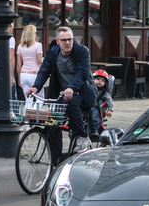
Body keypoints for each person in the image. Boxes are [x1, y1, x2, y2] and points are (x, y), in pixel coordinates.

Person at [27, 26, 97, 159]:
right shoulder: (53, 53)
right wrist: (35, 87)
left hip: (83, 93)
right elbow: (44, 71)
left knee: (70, 102)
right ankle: (56, 159)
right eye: (64, 40)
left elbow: (82, 73)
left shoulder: (82, 51)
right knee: (52, 123)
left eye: (70, 39)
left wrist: (71, 87)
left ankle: (82, 137)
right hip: (61, 94)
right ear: (57, 41)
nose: (68, 43)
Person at [17, 24, 44, 104]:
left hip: (23, 74)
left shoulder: (20, 46)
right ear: (33, 34)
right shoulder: (38, 45)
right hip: (34, 75)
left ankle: (27, 116)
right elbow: (39, 61)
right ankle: (35, 114)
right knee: (40, 97)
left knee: (28, 100)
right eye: (36, 32)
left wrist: (19, 77)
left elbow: (19, 64)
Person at [91, 69, 114, 135]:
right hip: (86, 106)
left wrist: (110, 110)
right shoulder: (89, 89)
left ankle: (95, 130)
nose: (100, 81)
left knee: (95, 115)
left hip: (96, 107)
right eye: (98, 79)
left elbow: (109, 101)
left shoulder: (104, 93)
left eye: (102, 80)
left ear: (105, 83)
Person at [8, 23, 17, 101]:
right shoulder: (10, 39)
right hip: (7, 69)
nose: (12, 31)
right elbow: (11, 57)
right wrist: (12, 75)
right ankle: (15, 112)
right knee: (13, 96)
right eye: (12, 28)